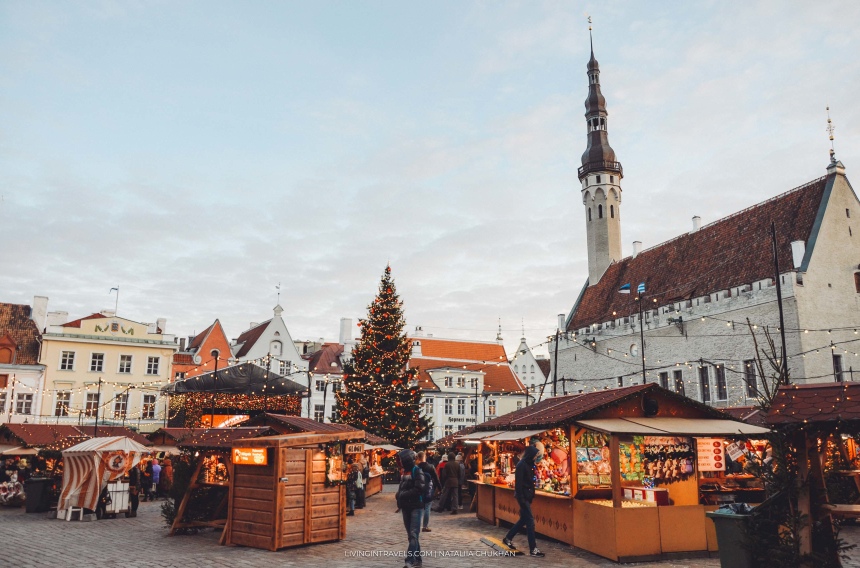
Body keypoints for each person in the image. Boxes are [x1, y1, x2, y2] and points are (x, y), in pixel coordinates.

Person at [502, 442, 546, 557]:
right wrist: (521, 498)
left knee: (524, 520)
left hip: (526, 496)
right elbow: (519, 484)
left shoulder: (529, 464)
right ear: (531, 454)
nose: (536, 457)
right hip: (523, 497)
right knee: (530, 522)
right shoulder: (522, 465)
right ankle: (533, 549)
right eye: (535, 455)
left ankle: (508, 538)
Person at [395, 449, 426, 568]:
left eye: (402, 460)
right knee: (411, 535)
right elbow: (401, 488)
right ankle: (418, 559)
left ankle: (410, 560)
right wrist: (399, 497)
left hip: (416, 507)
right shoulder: (404, 472)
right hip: (406, 507)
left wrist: (403, 495)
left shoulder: (417, 471)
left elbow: (419, 488)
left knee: (413, 533)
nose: (401, 463)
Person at [415, 451, 440, 533]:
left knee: (419, 508)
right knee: (427, 508)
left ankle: (417, 526)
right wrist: (440, 488)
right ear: (424, 457)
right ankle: (425, 526)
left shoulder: (416, 467)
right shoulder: (430, 467)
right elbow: (436, 478)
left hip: (418, 489)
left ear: (418, 458)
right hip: (428, 489)